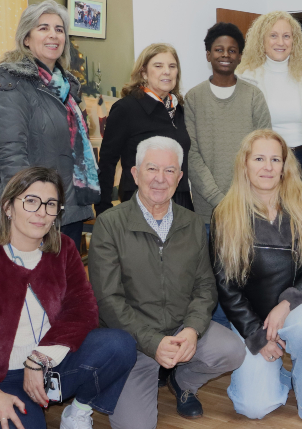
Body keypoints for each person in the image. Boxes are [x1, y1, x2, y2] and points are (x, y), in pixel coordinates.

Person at [0, 167, 135, 429]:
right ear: (8, 207)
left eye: (51, 204)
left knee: (120, 345)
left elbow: (83, 311)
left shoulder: (64, 248)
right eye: (31, 201)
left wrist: (39, 359)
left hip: (48, 364)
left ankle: (78, 411)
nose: (42, 212)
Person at [88, 137, 245, 428]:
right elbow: (108, 300)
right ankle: (136, 376)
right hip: (133, 342)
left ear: (180, 177)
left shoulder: (193, 223)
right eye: (152, 169)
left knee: (232, 351)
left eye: (169, 170)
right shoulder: (110, 225)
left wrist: (192, 330)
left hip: (179, 330)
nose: (160, 178)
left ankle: (182, 380)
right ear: (135, 174)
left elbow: (205, 286)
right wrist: (153, 342)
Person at [211, 130, 302, 421]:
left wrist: (287, 303)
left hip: (300, 309)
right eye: (259, 159)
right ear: (245, 164)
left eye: (275, 159)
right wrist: (258, 336)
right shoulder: (224, 214)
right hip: (253, 318)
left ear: (285, 166)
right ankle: (281, 374)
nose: (267, 167)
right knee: (253, 408)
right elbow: (226, 286)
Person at [0, 0, 100, 252]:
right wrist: (33, 204)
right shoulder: (10, 84)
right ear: (26, 38)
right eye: (43, 28)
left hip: (69, 208)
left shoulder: (67, 88)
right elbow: (8, 154)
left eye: (59, 29)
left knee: (64, 276)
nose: (53, 35)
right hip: (33, 213)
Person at [185, 22, 272, 226]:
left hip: (249, 207)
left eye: (232, 50)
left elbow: (265, 152)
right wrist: (218, 200)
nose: (225, 55)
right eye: (219, 50)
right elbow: (191, 155)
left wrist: (242, 200)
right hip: (207, 211)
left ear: (240, 56)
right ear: (208, 55)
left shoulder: (254, 96)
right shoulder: (193, 98)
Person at [96, 43, 194, 216]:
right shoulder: (126, 108)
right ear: (144, 73)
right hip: (141, 202)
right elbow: (107, 162)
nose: (167, 71)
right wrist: (103, 210)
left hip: (180, 201)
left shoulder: (180, 110)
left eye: (172, 66)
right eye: (158, 66)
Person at [237, 11, 302, 182]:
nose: (281, 42)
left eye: (286, 36)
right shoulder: (245, 77)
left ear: (294, 40)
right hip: (265, 162)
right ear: (261, 40)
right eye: (273, 36)